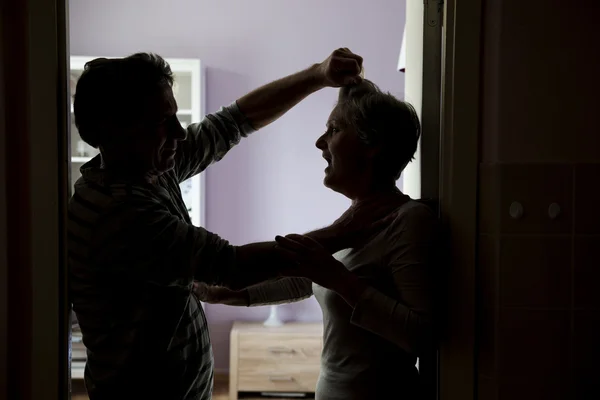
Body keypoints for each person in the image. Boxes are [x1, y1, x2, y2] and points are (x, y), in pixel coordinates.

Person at [68, 48, 386, 400]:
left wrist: (318, 75)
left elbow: (234, 121)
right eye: (162, 121)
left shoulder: (149, 167)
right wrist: (346, 231)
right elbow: (232, 266)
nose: (180, 132)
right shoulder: (117, 210)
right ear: (115, 130)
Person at [195, 80, 440, 400]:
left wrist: (338, 278)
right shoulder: (353, 222)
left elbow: (423, 336)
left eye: (334, 129)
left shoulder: (409, 221)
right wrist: (223, 293)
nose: (319, 142)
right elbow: (305, 280)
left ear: (372, 145)